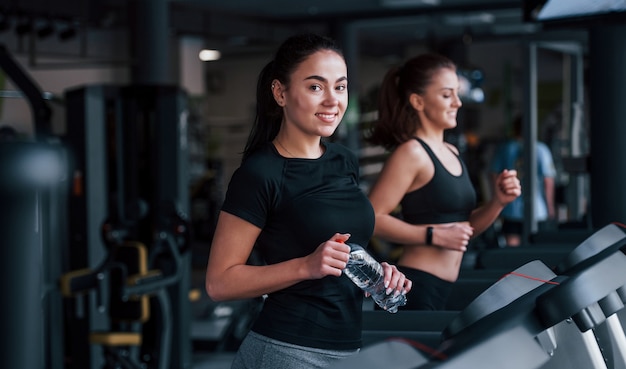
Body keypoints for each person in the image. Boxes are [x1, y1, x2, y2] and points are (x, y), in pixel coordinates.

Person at [205, 33, 411, 369]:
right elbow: (218, 283)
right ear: (280, 93)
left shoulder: (344, 160)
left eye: (340, 87)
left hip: (348, 349)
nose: (332, 100)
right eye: (316, 87)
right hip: (287, 350)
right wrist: (306, 266)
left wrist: (375, 273)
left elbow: (344, 249)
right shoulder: (260, 174)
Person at [365, 53, 521, 311]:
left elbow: (463, 231)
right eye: (447, 95)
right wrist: (432, 235)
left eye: (457, 94)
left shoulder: (451, 151)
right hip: (416, 287)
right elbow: (371, 218)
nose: (458, 103)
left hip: (448, 287)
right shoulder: (412, 153)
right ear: (418, 101)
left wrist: (498, 203)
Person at [490, 115, 556, 247]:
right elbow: (547, 181)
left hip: (511, 209)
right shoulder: (541, 149)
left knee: (512, 249)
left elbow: (494, 176)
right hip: (538, 210)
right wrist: (550, 206)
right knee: (536, 249)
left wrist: (495, 202)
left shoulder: (505, 148)